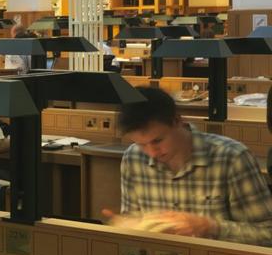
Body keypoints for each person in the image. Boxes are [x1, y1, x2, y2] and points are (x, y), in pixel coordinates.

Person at [106, 86, 272, 244]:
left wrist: (209, 227)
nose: (152, 153)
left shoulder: (231, 158)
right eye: (141, 144)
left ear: (177, 121)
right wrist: (124, 225)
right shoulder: (133, 158)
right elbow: (132, 221)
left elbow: (267, 234)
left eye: (158, 140)